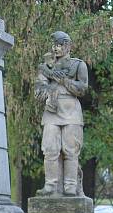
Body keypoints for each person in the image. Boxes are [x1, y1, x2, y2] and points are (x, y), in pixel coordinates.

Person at [34, 31, 89, 196]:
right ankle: (51, 185)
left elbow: (82, 89)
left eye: (59, 45)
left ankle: (70, 187)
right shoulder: (45, 67)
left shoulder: (78, 65)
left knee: (71, 150)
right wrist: (51, 83)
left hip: (71, 110)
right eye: (54, 45)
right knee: (50, 149)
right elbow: (38, 91)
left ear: (67, 46)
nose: (55, 48)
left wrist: (64, 80)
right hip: (52, 110)